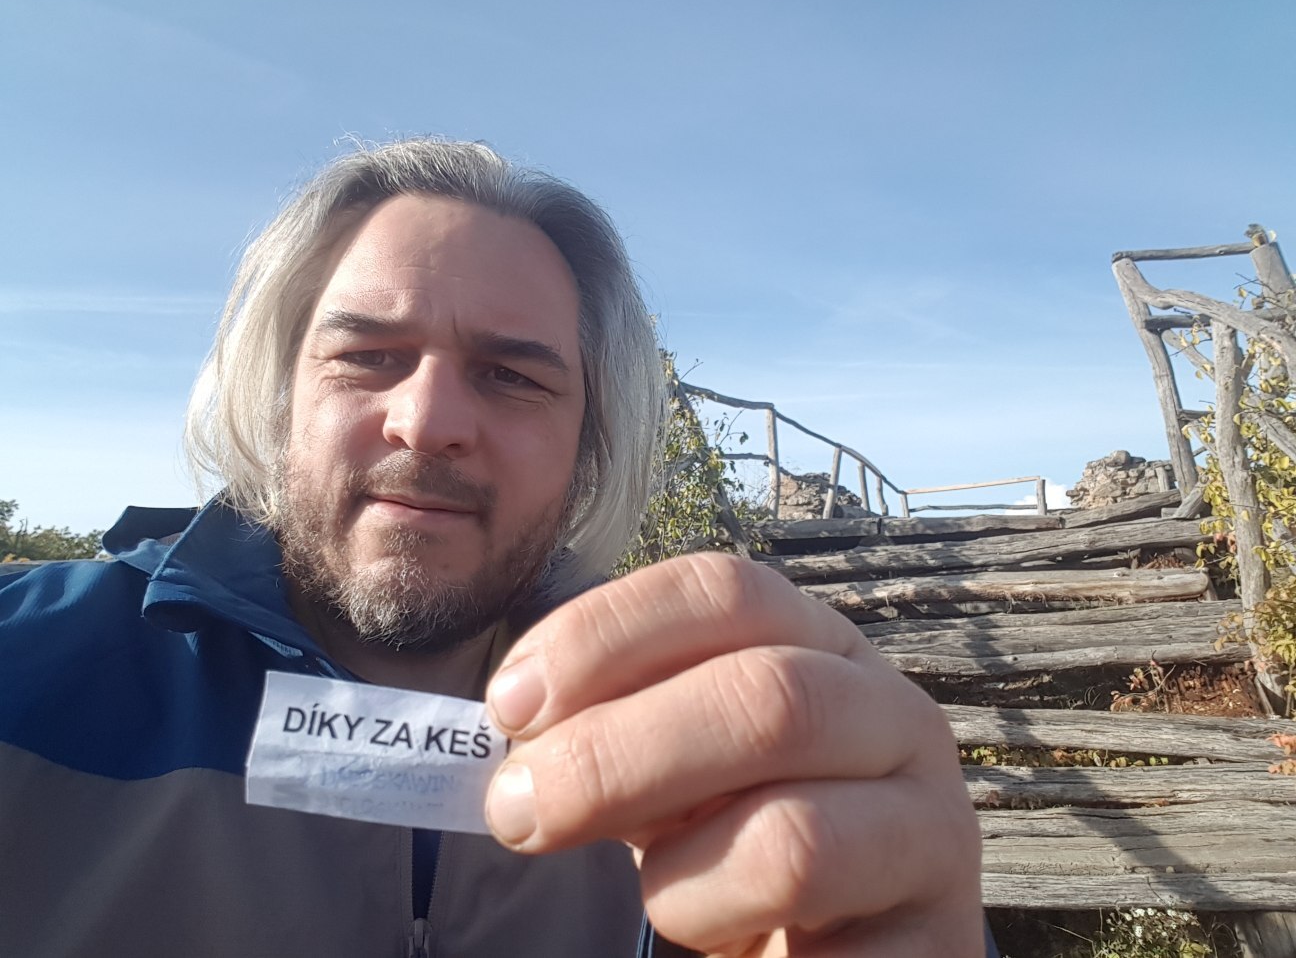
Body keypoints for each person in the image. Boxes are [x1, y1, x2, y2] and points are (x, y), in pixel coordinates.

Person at [0, 138, 985, 957]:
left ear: (589, 446)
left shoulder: (717, 762)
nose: (428, 422)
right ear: (280, 394)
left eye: (512, 376)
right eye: (367, 356)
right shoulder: (28, 669)